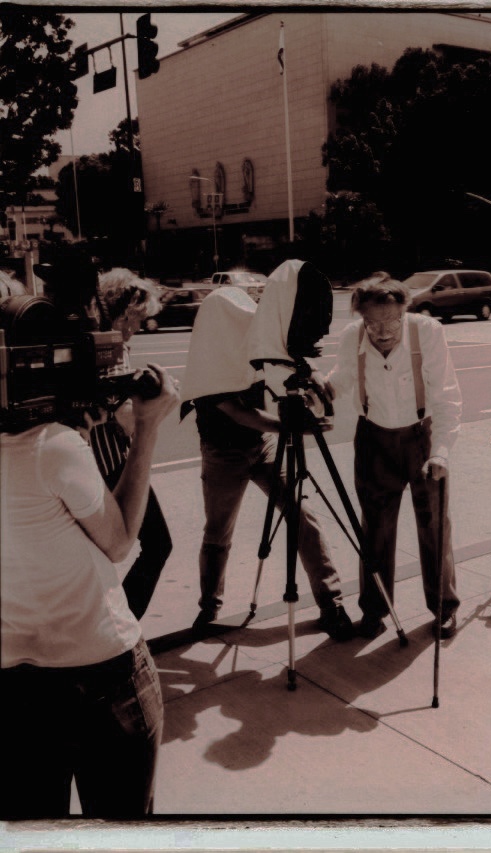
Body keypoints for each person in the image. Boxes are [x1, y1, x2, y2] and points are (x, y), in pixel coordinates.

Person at [0, 359, 179, 819]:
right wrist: (146, 428)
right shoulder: (48, 446)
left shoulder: (52, 445)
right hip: (100, 676)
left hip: (13, 685)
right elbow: (119, 542)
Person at [180, 262, 353, 642]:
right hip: (224, 452)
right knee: (218, 533)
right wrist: (287, 426)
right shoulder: (212, 354)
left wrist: (309, 388)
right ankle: (209, 608)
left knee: (303, 516)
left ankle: (332, 601)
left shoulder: (253, 341)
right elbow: (235, 410)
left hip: (263, 447)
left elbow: (278, 377)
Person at [326, 274, 462, 639]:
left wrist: (442, 453)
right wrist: (321, 390)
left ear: (405, 311)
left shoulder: (427, 332)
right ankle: (375, 610)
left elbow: (448, 396)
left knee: (433, 526)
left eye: (391, 322)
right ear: (361, 318)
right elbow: (342, 377)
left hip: (422, 435)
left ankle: (444, 607)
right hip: (373, 438)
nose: (382, 332)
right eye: (372, 323)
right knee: (376, 531)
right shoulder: (352, 337)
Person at [88, 268, 173, 620]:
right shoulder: (102, 345)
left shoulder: (104, 341)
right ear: (121, 310)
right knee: (152, 545)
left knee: (150, 544)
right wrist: (154, 410)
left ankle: (117, 624)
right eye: (135, 320)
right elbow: (123, 414)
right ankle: (118, 626)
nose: (136, 328)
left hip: (108, 462)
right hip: (107, 466)